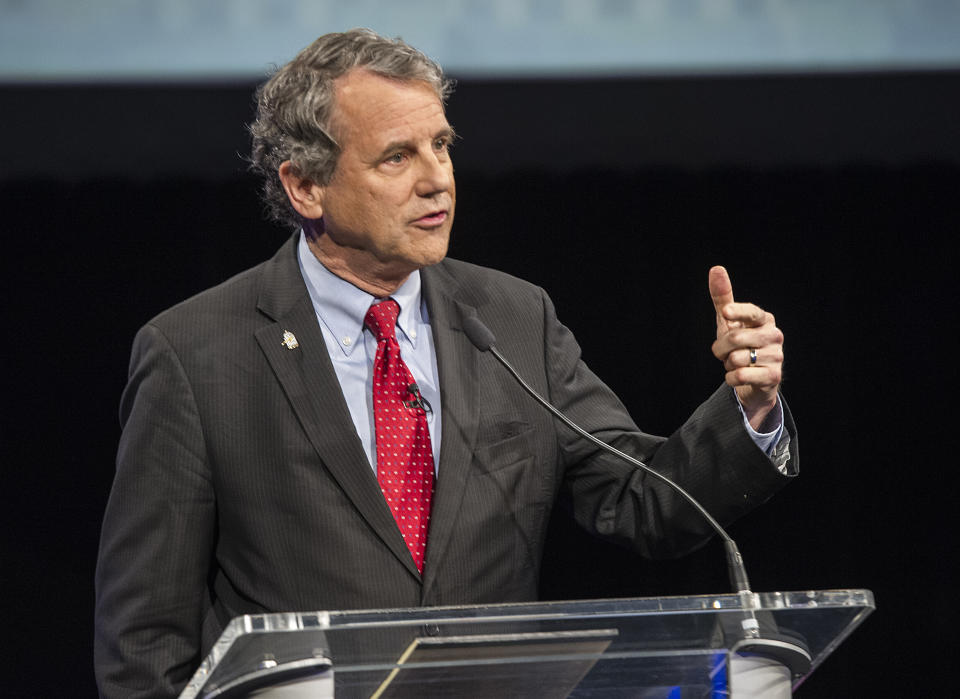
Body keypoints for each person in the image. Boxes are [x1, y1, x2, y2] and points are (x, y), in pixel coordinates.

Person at [94, 28, 795, 698]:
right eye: (396, 157)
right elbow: (145, 643)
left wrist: (750, 407)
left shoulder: (515, 318)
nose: (438, 181)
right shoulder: (196, 354)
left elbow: (643, 501)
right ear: (306, 186)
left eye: (441, 145)